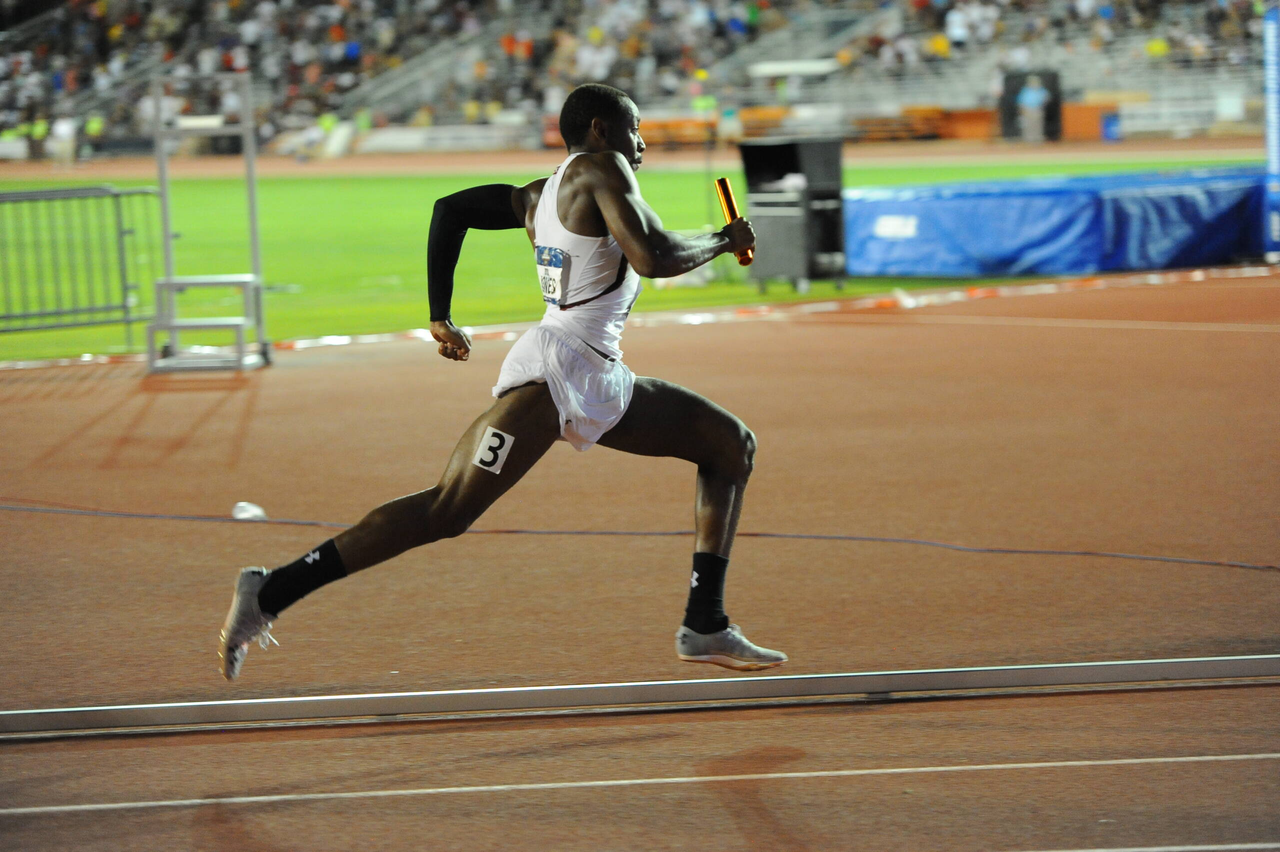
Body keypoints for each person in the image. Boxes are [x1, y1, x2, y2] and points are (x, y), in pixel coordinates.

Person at [219, 83, 786, 681]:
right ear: (599, 129)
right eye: (635, 128)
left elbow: (452, 211)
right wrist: (725, 239)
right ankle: (270, 590)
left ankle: (705, 621)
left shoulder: (538, 195)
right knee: (445, 510)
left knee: (730, 445)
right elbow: (650, 257)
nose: (641, 142)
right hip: (556, 374)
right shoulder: (603, 168)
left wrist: (440, 311)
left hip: (597, 373)